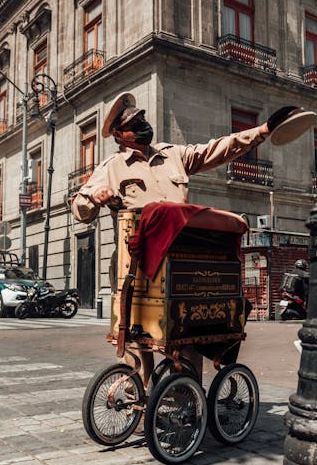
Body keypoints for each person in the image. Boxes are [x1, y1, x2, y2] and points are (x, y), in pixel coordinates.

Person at [71, 91, 301, 388]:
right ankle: (138, 400)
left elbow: (217, 149)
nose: (142, 124)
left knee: (187, 334)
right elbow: (80, 205)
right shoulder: (111, 167)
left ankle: (186, 398)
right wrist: (95, 199)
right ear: (119, 134)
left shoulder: (173, 155)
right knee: (137, 340)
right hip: (137, 265)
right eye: (134, 122)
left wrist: (263, 131)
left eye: (142, 118)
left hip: (181, 260)